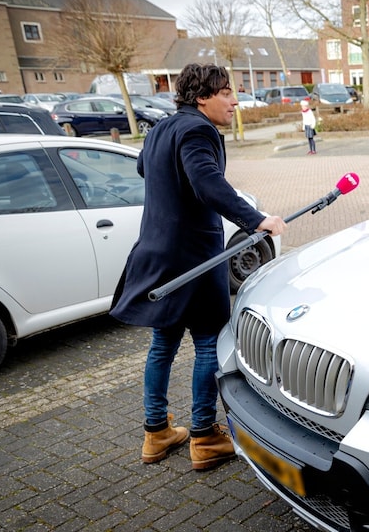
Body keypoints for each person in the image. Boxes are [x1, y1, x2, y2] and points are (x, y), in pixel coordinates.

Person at [110, 63, 287, 471]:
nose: (235, 100)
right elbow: (207, 182)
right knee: (208, 342)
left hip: (157, 253)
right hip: (193, 259)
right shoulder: (198, 130)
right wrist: (257, 219)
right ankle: (204, 437)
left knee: (164, 343)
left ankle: (156, 434)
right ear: (202, 97)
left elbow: (144, 168)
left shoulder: (160, 129)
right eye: (227, 92)